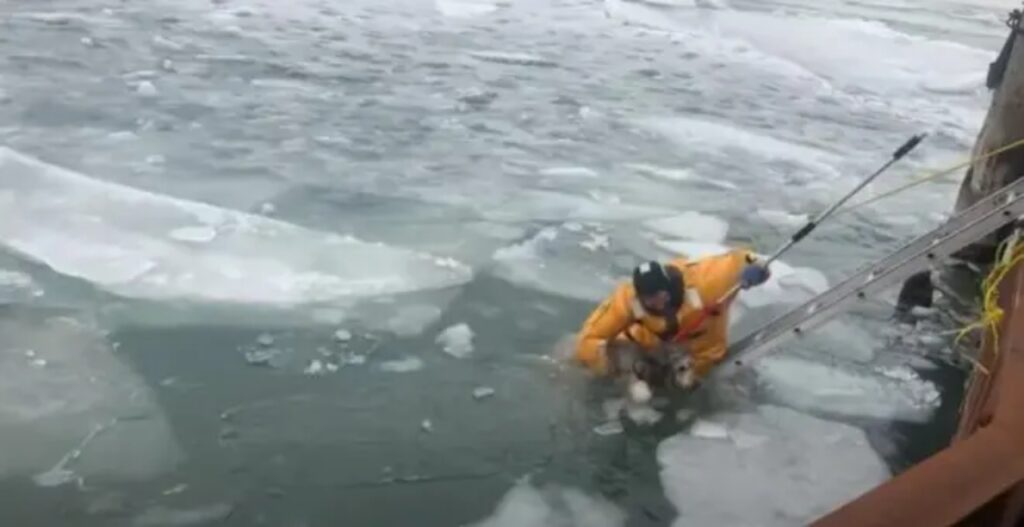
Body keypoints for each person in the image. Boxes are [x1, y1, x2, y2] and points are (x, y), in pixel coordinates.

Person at [573, 248, 770, 392]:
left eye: (661, 295)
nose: (658, 303)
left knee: (691, 385)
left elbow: (748, 259)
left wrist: (756, 270)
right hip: (645, 354)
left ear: (669, 286)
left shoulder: (707, 281)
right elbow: (589, 338)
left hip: (700, 358)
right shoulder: (626, 300)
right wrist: (607, 369)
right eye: (649, 299)